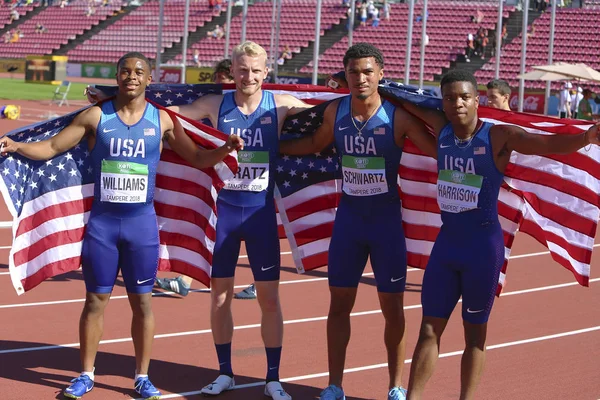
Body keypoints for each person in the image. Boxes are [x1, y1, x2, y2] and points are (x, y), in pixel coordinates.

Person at [1, 52, 242, 400]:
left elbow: (198, 159)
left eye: (139, 72)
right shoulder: (96, 116)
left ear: (149, 79)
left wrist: (224, 149)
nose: (132, 76)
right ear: (117, 77)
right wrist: (18, 145)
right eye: (126, 71)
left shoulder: (162, 121)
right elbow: (52, 146)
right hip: (103, 225)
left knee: (142, 303)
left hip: (141, 227)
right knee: (95, 301)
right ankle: (86, 374)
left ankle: (142, 377)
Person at [397, 69, 599, 400]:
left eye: (464, 97)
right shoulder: (442, 128)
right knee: (429, 329)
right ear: (443, 103)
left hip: (482, 250)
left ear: (476, 100)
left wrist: (585, 138)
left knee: (474, 335)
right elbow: (398, 98)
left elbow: (545, 144)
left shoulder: (498, 136)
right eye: (450, 98)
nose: (457, 103)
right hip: (446, 248)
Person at [278, 43, 437, 400]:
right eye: (354, 72)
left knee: (393, 309)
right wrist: (275, 147)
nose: (360, 78)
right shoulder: (336, 112)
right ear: (345, 75)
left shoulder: (399, 117)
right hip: (349, 223)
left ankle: (395, 386)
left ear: (381, 73)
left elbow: (439, 150)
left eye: (367, 71)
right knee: (338, 305)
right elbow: (314, 144)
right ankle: (335, 384)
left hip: (386, 225)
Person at [173, 41, 312, 400]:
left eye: (255, 70)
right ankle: (224, 373)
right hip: (226, 214)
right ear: (231, 71)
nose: (248, 76)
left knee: (269, 299)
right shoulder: (216, 105)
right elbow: (169, 112)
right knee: (219, 298)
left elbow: (328, 112)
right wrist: (116, 102)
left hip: (260, 214)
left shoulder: (280, 105)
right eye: (241, 69)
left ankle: (273, 378)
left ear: (266, 72)